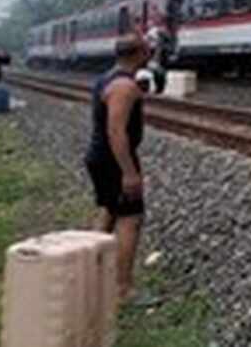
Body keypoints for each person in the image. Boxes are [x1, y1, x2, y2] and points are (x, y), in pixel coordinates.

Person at [84, 33, 150, 303]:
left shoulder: (106, 79)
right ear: (139, 54)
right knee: (130, 220)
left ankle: (89, 269)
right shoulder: (124, 86)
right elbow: (116, 131)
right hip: (113, 159)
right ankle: (123, 289)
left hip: (101, 157)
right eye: (148, 49)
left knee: (111, 212)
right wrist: (129, 172)